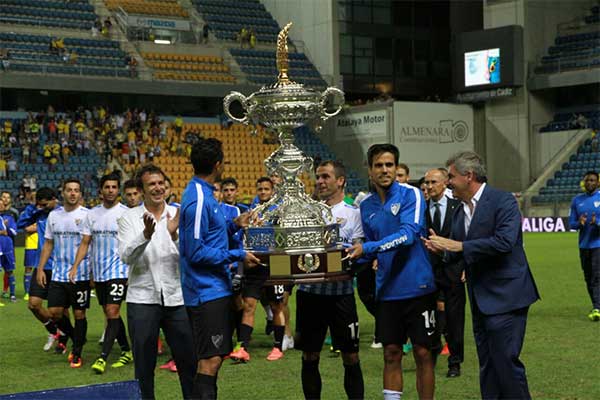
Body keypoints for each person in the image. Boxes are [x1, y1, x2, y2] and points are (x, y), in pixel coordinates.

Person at [423, 151, 540, 400]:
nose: (448, 182)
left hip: (506, 296)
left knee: (506, 363)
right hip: (480, 298)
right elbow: (458, 251)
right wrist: (442, 250)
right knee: (487, 364)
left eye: (451, 177)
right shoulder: (459, 209)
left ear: (468, 176)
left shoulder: (503, 201)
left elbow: (504, 242)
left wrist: (459, 246)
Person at [347, 144, 437, 400]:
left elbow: (409, 235)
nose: (385, 170)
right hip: (387, 290)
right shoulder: (366, 206)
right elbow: (372, 250)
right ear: (370, 169)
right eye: (379, 165)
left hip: (418, 286)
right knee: (391, 353)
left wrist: (368, 248)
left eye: (389, 165)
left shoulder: (412, 195)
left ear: (397, 168)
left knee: (422, 352)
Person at [179, 138, 260, 399]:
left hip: (215, 289)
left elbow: (211, 236)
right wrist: (237, 254)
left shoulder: (205, 193)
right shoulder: (198, 198)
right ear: (217, 164)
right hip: (205, 292)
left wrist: (235, 224)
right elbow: (195, 251)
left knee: (214, 359)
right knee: (210, 361)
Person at [118, 164, 196, 400]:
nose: (158, 187)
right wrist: (145, 235)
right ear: (141, 190)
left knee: (188, 363)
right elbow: (125, 256)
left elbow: (191, 255)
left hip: (177, 297)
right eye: (151, 184)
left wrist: (174, 235)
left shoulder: (179, 214)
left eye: (161, 183)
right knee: (143, 367)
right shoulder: (128, 218)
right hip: (142, 300)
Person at [296, 160, 364, 400]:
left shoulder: (353, 214)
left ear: (340, 181)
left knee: (351, 355)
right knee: (310, 355)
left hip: (341, 295)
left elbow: (358, 248)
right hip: (309, 294)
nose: (320, 181)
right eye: (318, 177)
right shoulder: (305, 213)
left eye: (325, 176)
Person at [68, 173, 132, 374]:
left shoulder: (125, 213)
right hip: (100, 272)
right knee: (110, 312)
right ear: (101, 191)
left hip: (119, 269)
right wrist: (76, 266)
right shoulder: (92, 214)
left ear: (117, 190)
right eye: (107, 187)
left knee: (112, 311)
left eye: (114, 187)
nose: (111, 190)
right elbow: (86, 242)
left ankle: (102, 358)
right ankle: (126, 350)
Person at [231, 176, 287, 363]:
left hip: (276, 264)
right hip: (254, 263)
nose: (263, 192)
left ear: (272, 191)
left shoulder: (279, 212)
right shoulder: (250, 212)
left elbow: (285, 238)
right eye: (260, 189)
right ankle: (243, 347)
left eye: (266, 189)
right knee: (249, 305)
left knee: (276, 306)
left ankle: (278, 346)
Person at [36, 179, 90, 368]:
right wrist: (41, 268)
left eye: (76, 190)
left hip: (80, 273)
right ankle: (76, 337)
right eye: (69, 190)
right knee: (55, 312)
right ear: (63, 193)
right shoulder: (54, 215)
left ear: (80, 194)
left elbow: (88, 243)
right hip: (58, 273)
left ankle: (77, 353)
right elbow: (48, 243)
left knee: (79, 313)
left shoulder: (87, 215)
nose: (73, 193)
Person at [18, 187, 72, 353]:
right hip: (42, 266)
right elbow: (21, 224)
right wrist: (33, 207)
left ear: (54, 199)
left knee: (61, 309)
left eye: (45, 203)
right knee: (34, 305)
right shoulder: (39, 214)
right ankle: (54, 331)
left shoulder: (63, 214)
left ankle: (64, 338)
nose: (42, 206)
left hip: (60, 267)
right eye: (40, 204)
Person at [423, 168, 465, 378]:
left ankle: (455, 362)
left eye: (433, 182)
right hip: (427, 272)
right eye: (426, 182)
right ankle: (432, 353)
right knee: (428, 317)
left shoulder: (458, 207)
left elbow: (466, 239)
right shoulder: (420, 208)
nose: (428, 186)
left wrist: (466, 265)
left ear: (444, 183)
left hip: (453, 270)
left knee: (455, 319)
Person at [568, 171, 600, 321]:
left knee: (596, 276)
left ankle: (597, 307)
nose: (589, 183)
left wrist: (597, 223)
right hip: (584, 245)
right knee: (588, 277)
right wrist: (579, 224)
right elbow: (571, 224)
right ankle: (596, 304)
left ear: (598, 182)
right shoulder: (577, 200)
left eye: (593, 180)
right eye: (587, 180)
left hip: (598, 244)